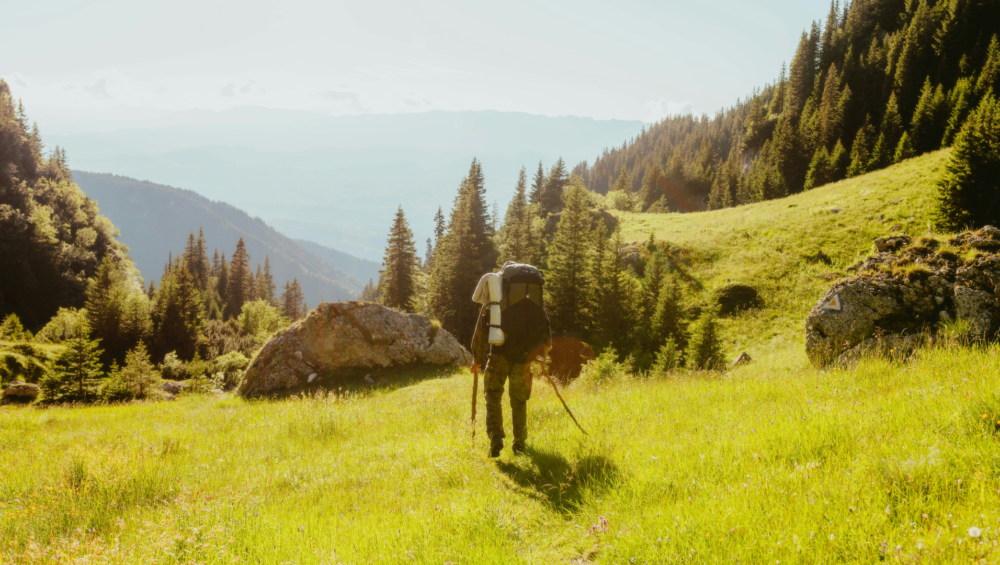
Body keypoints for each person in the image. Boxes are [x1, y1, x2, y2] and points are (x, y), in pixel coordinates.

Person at [470, 302, 534, 457]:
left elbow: (482, 328)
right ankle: (519, 444)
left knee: (492, 395)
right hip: (523, 357)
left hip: (499, 355)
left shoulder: (495, 290)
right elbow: (541, 322)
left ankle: (496, 437)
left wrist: (478, 359)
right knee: (519, 400)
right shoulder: (530, 290)